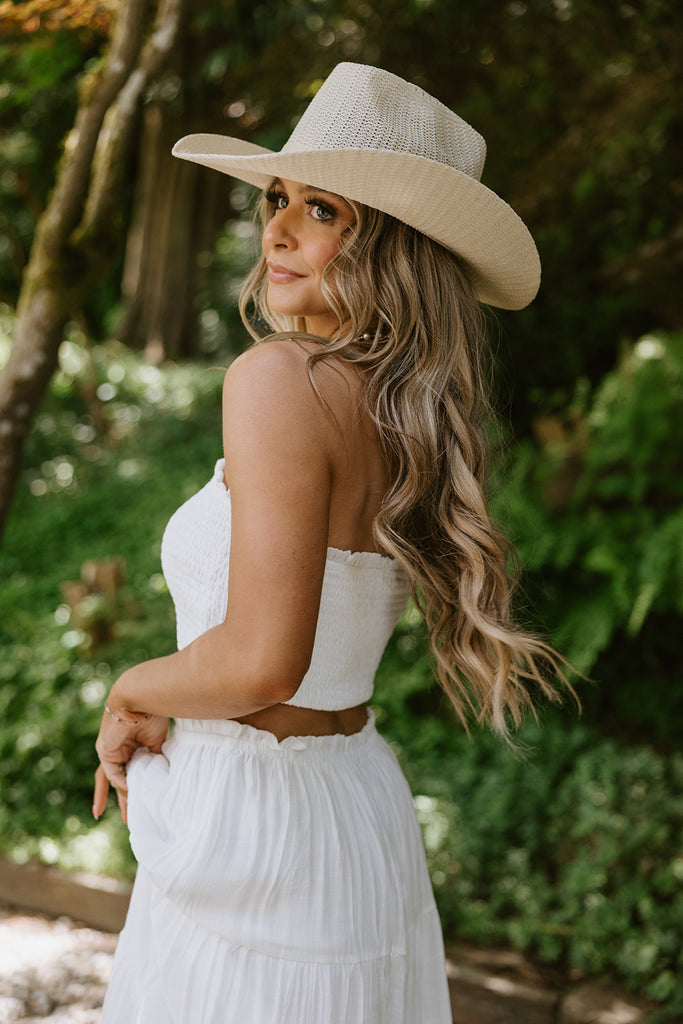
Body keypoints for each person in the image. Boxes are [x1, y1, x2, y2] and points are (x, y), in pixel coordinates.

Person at [93, 62, 568, 1023]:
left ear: (393, 245)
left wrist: (131, 687)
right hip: (353, 810)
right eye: (278, 198)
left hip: (252, 823)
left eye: (321, 210)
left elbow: (267, 659)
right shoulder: (415, 421)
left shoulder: (279, 381)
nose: (274, 230)